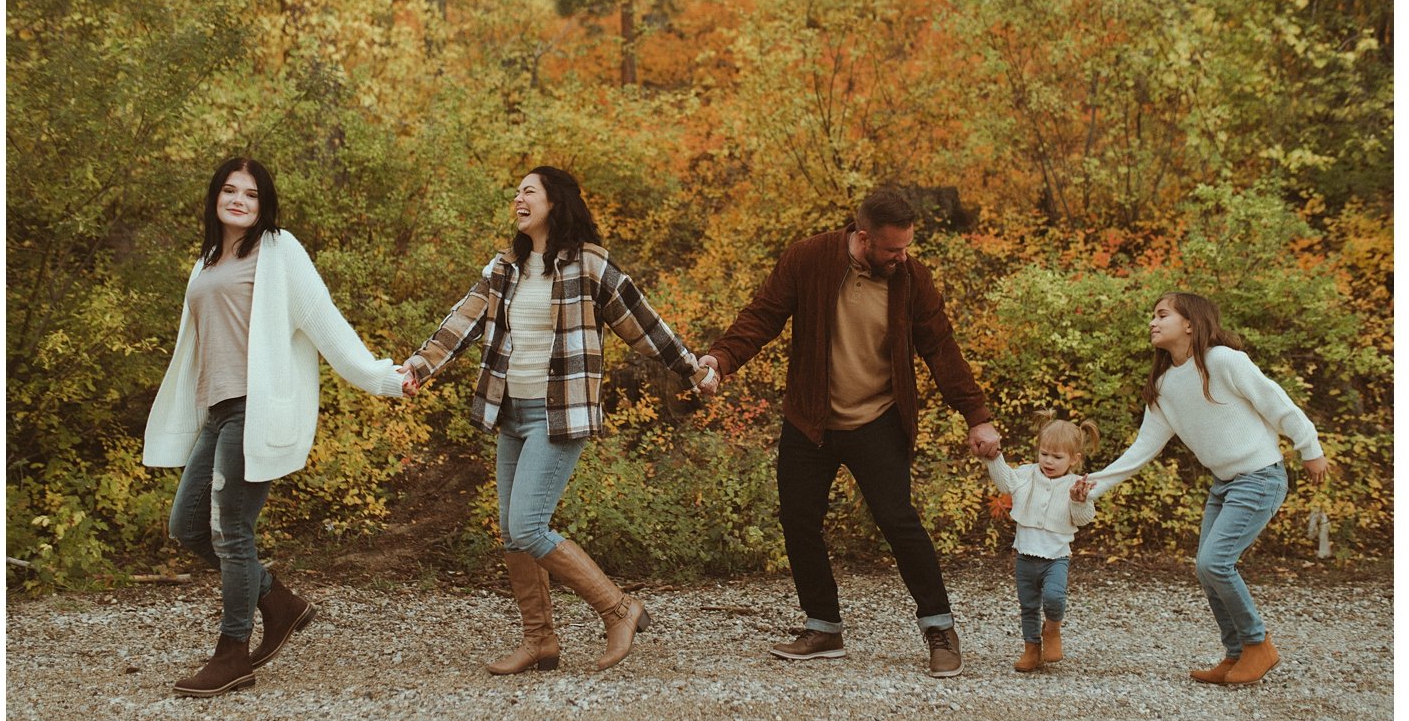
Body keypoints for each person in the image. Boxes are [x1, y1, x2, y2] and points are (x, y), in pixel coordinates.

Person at [401, 166, 718, 674]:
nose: (518, 197)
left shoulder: (590, 265)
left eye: (529, 190)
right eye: (517, 191)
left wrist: (690, 365)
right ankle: (540, 640)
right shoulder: (505, 266)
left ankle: (619, 609)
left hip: (559, 413)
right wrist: (420, 363)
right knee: (511, 531)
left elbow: (642, 322)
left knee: (527, 525)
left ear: (555, 201)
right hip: (512, 412)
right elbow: (463, 321)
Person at [700, 187, 1000, 678]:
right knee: (798, 522)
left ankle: (940, 628)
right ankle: (823, 628)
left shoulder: (911, 277)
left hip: (877, 420)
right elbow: (763, 315)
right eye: (893, 249)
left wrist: (976, 415)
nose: (902, 257)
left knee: (898, 521)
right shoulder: (809, 258)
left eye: (907, 247)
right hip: (811, 419)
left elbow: (941, 348)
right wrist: (722, 359)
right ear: (862, 238)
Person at [142, 157, 406, 697]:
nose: (239, 200)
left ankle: (232, 653)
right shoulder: (206, 262)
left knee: (231, 532)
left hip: (253, 409)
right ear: (215, 196)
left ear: (264, 205)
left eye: (252, 194)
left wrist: (382, 378)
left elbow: (323, 319)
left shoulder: (279, 251)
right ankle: (279, 602)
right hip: (218, 413)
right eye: (230, 190)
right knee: (187, 526)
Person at [1074, 292, 1328, 685]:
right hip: (1224, 484)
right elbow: (1143, 447)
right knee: (1206, 569)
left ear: (1190, 323)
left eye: (1162, 315)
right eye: (1151, 316)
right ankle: (1237, 652)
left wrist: (1309, 447)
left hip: (1260, 478)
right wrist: (1093, 486)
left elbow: (1275, 401)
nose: (1152, 322)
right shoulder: (1163, 384)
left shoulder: (1222, 360)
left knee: (1215, 563)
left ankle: (1259, 644)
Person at [984, 415, 1099, 672]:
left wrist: (1080, 501)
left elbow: (1082, 519)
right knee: (1028, 604)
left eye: (1057, 457)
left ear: (1074, 459)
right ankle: (1031, 649)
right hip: (1026, 554)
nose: (1048, 461)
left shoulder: (1076, 485)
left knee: (1054, 597)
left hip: (1056, 557)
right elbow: (1005, 481)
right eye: (1044, 453)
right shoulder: (1027, 474)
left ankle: (1052, 630)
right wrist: (994, 457)